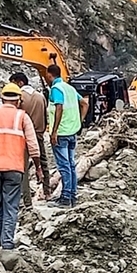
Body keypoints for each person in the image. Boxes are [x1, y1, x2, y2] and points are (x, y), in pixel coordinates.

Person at [0, 82, 40, 252]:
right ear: (19, 100)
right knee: (11, 207)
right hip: (14, 168)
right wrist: (38, 168)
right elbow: (34, 147)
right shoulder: (22, 117)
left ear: (2, 99)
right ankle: (7, 245)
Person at [45, 63, 88, 208]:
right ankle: (72, 195)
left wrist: (54, 130)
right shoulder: (69, 88)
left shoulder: (56, 89)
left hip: (61, 133)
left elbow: (59, 107)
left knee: (64, 166)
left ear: (50, 75)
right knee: (70, 165)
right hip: (72, 132)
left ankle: (65, 197)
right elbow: (84, 104)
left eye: (47, 75)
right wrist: (79, 122)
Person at [9, 71, 51, 194]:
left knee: (23, 168)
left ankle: (26, 198)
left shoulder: (19, 97)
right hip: (38, 134)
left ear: (20, 82)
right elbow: (45, 116)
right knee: (43, 163)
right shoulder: (40, 96)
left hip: (22, 136)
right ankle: (47, 191)